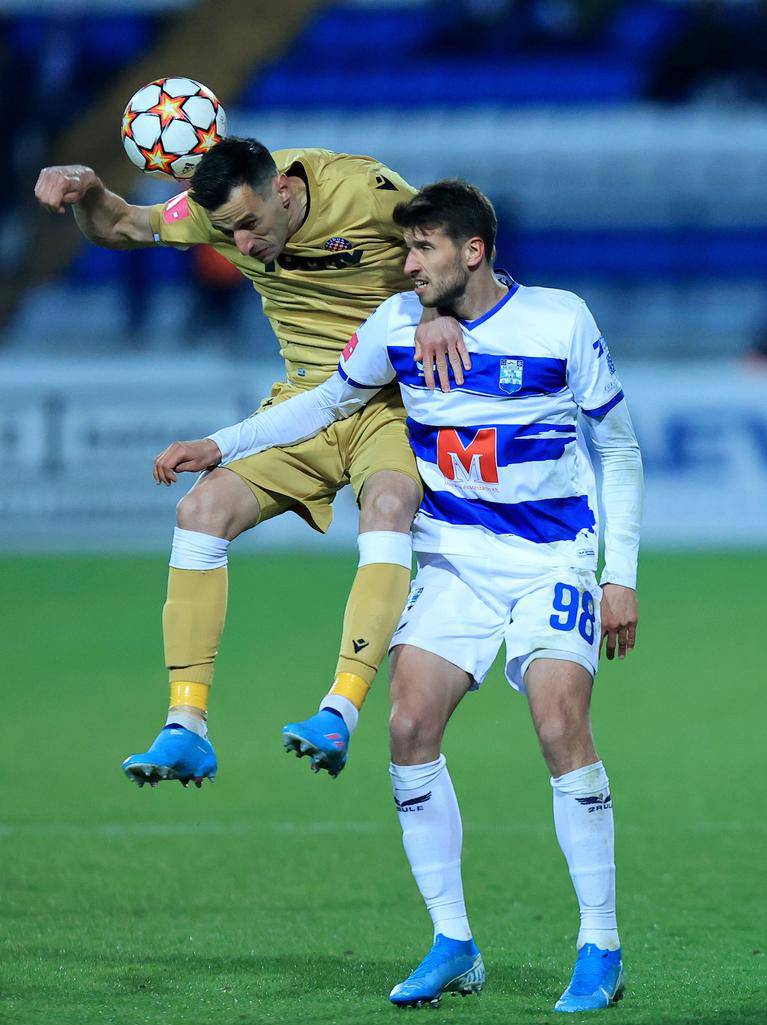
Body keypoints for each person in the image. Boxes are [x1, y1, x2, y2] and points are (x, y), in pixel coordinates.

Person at [154, 180, 642, 1012]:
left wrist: (619, 575)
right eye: (405, 249)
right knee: (410, 727)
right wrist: (222, 442)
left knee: (560, 722)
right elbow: (323, 402)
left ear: (472, 251)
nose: (406, 264)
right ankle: (453, 941)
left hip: (553, 560)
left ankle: (601, 945)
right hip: (453, 558)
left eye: (421, 251)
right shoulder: (395, 326)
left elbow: (619, 449)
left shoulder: (561, 318)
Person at [35, 137, 470, 786]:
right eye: (227, 231)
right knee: (200, 508)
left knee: (387, 506)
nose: (239, 245)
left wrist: (438, 309)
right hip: (305, 404)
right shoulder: (216, 213)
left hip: (395, 401)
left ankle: (339, 710)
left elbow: (460, 247)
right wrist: (91, 194)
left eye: (249, 226)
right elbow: (124, 225)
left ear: (285, 193)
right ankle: (186, 726)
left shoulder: (365, 192)